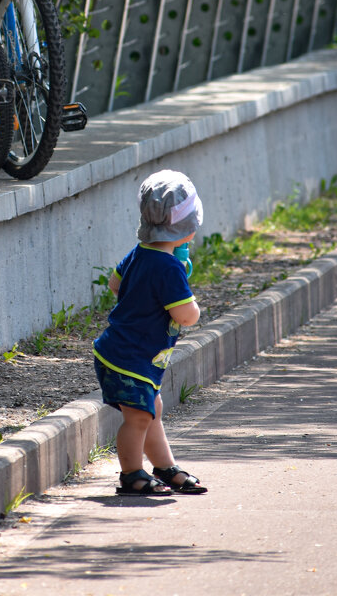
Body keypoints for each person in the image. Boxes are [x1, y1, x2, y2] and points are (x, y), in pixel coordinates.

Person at [93, 169, 209, 496]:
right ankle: (131, 474)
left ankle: (164, 466)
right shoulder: (168, 268)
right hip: (129, 358)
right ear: (186, 228)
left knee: (151, 409)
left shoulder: (142, 252)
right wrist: (190, 303)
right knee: (140, 417)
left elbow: (115, 283)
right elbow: (185, 316)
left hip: (124, 352)